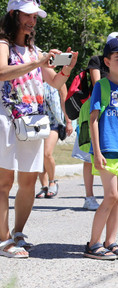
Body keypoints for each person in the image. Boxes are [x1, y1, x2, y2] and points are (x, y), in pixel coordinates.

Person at [0, 0, 77, 258]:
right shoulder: (3, 45)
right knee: (4, 182)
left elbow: (55, 83)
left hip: (32, 122)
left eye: (35, 17)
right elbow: (1, 72)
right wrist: (38, 62)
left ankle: (18, 233)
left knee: (29, 180)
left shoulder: (37, 51)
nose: (32, 21)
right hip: (6, 119)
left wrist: (66, 68)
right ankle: (3, 240)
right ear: (13, 14)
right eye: (28, 15)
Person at [84, 36, 118, 260]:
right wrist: (96, 152)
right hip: (106, 150)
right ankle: (93, 243)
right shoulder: (101, 86)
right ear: (107, 61)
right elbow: (93, 120)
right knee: (111, 196)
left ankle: (111, 241)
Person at [72, 31, 118, 210]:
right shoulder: (96, 60)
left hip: (113, 113)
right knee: (89, 155)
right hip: (93, 109)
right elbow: (97, 84)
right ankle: (89, 196)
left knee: (109, 153)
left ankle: (111, 195)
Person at [35, 82, 72, 198]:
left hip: (54, 122)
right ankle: (44, 186)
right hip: (36, 124)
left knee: (47, 153)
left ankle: (52, 181)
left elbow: (64, 101)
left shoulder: (57, 81)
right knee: (39, 156)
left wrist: (68, 121)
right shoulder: (33, 80)